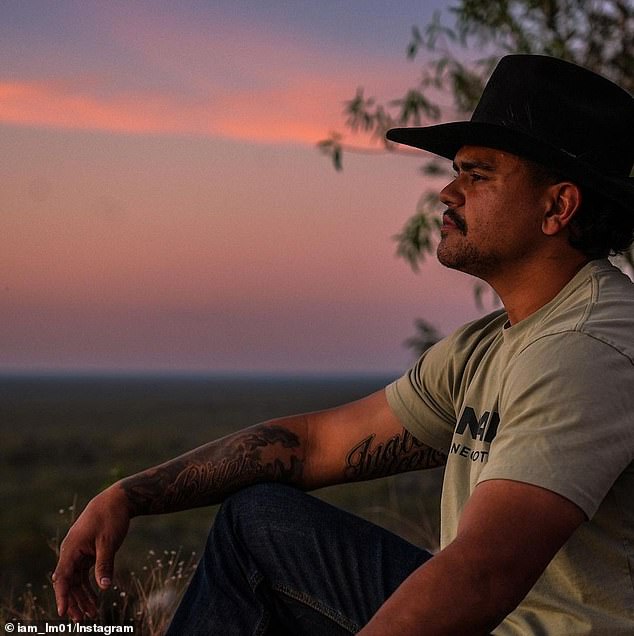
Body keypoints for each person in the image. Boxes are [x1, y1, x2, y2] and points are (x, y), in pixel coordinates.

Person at [53, 55, 634, 635]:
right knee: (260, 525)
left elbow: (483, 573)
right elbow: (311, 446)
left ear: (557, 207)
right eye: (457, 172)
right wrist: (128, 495)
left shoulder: (585, 349)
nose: (449, 193)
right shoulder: (488, 347)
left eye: (478, 176)